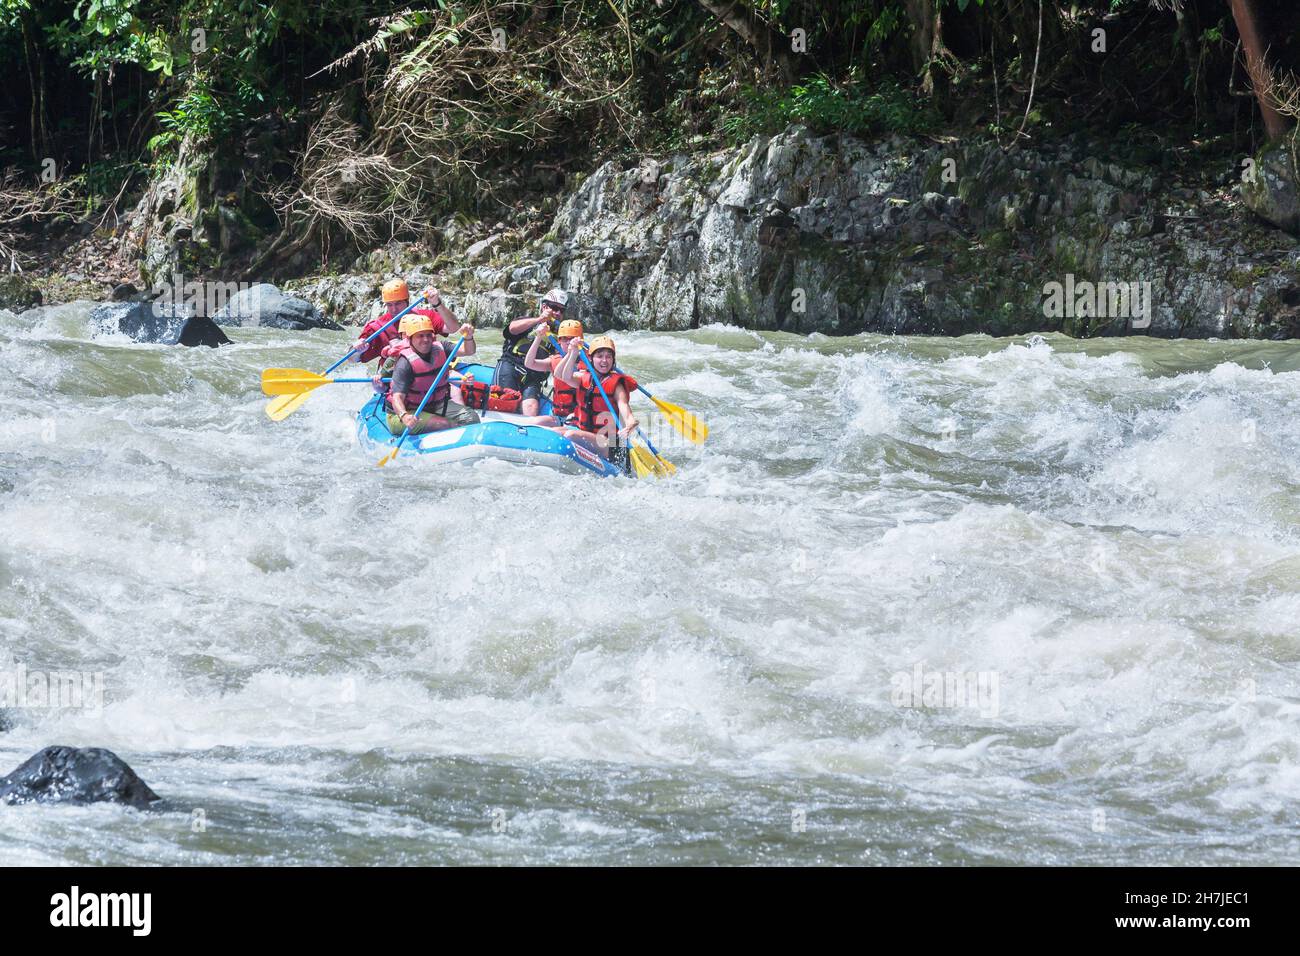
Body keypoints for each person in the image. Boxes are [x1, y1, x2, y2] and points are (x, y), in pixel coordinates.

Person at [384, 315, 480, 435]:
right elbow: (397, 398)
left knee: (471, 418)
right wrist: (404, 416)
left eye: (428, 335)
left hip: (435, 405)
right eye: (420, 335)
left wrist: (469, 337)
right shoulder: (405, 363)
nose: (426, 339)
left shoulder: (441, 348)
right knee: (446, 425)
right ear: (410, 339)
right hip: (406, 412)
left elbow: (468, 351)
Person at [552, 334, 638, 460]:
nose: (604, 360)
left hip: (608, 443)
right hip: (586, 433)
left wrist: (630, 427)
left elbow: (629, 416)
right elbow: (560, 375)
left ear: (613, 360)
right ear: (591, 359)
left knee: (570, 434)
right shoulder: (583, 378)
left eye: (609, 357)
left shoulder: (617, 386)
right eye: (600, 356)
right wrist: (573, 352)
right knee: (553, 432)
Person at [494, 288, 569, 416]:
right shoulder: (528, 322)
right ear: (544, 306)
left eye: (561, 310)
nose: (557, 313)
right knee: (507, 402)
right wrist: (539, 320)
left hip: (533, 375)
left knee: (531, 407)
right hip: (511, 366)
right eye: (554, 308)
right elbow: (512, 329)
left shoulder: (561, 336)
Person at [351, 278, 456, 366]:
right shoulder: (377, 327)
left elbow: (454, 328)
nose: (393, 309)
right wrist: (357, 349)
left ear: (407, 301)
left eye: (398, 304)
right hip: (396, 378)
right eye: (389, 305)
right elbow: (353, 359)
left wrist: (437, 304)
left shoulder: (424, 316)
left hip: (427, 370)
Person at [523, 317, 584, 422]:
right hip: (559, 413)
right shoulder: (555, 360)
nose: (569, 342)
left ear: (580, 340)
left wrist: (572, 353)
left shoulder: (588, 362)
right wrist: (538, 337)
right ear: (559, 341)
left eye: (572, 338)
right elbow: (529, 363)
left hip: (579, 415)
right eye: (565, 338)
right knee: (535, 422)